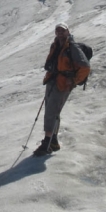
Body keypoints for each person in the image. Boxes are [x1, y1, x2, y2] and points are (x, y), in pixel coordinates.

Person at [33, 23, 90, 156]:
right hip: (53, 80)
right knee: (52, 111)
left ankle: (47, 143)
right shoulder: (55, 45)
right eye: (57, 30)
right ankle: (53, 141)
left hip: (63, 83)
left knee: (51, 112)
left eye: (62, 30)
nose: (59, 33)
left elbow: (85, 67)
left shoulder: (72, 47)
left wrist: (74, 81)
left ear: (68, 32)